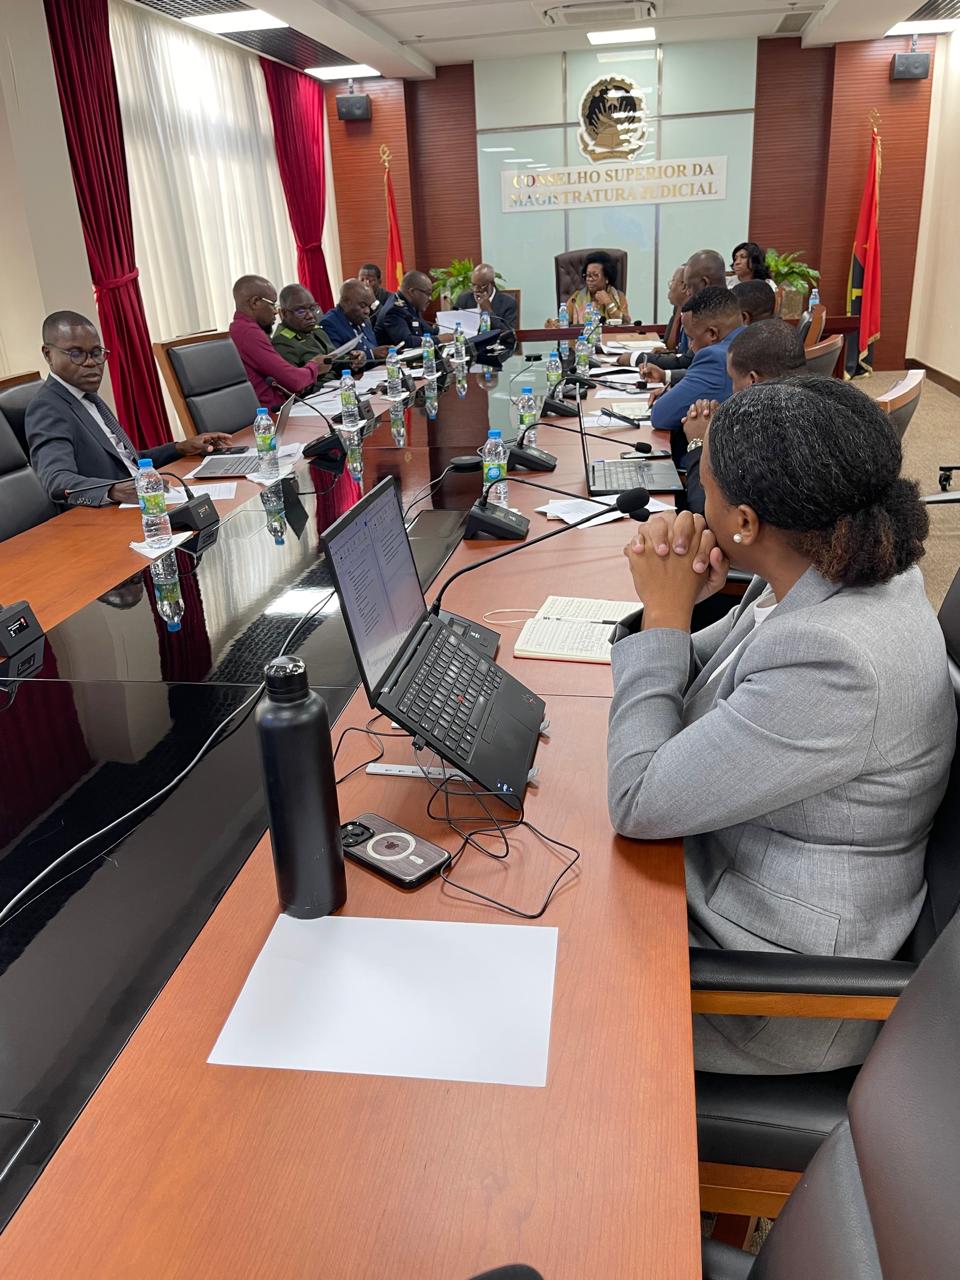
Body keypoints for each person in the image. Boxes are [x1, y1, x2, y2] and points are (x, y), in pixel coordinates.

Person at [608, 376, 954, 1075]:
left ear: (743, 521)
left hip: (775, 990)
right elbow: (701, 677)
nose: (693, 503)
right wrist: (675, 604)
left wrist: (667, 614)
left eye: (701, 485)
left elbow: (639, 799)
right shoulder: (825, 568)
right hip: (734, 874)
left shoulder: (837, 658)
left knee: (547, 960)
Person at [26, 311, 232, 507]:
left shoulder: (88, 397)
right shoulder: (47, 407)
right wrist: (112, 490)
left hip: (147, 500)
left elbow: (125, 461)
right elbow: (57, 481)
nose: (91, 363)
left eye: (96, 353)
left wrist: (180, 448)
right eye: (76, 354)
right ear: (48, 354)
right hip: (108, 516)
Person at [681, 318, 806, 514]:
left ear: (752, 380)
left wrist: (700, 443)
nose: (732, 389)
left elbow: (711, 514)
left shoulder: (771, 434)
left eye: (732, 379)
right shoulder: (816, 408)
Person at [648, 288, 745, 441]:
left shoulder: (715, 357)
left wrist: (672, 394)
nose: (691, 346)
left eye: (691, 338)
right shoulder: (755, 340)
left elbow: (660, 416)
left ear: (712, 333)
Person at [229, 275, 331, 411]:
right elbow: (294, 380)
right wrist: (316, 367)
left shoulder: (242, 328)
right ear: (255, 302)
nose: (275, 311)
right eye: (272, 304)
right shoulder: (248, 332)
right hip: (270, 414)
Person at [619, 249, 727, 369]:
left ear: (705, 283)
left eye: (688, 286)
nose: (687, 292)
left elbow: (689, 361)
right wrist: (670, 355)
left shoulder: (713, 315)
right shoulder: (705, 308)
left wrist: (636, 358)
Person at [271, 284, 342, 379]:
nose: (310, 316)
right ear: (284, 313)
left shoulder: (317, 331)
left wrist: (352, 361)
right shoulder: (281, 342)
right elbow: (295, 381)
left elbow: (335, 360)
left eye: (312, 308)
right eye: (301, 311)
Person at [319, 279, 390, 361]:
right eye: (362, 306)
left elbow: (372, 347)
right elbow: (336, 361)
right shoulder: (329, 324)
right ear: (345, 302)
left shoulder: (363, 320)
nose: (367, 311)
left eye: (368, 306)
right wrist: (372, 354)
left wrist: (384, 352)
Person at [373, 270, 439, 349]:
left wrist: (444, 332)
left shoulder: (412, 305)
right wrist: (438, 339)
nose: (430, 298)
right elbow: (406, 342)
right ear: (412, 292)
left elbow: (428, 331)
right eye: (428, 293)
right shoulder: (394, 310)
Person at [563, 250, 630, 325]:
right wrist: (555, 323)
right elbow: (563, 321)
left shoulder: (618, 296)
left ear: (607, 278)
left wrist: (609, 304)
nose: (590, 279)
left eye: (595, 275)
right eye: (588, 275)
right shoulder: (576, 298)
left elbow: (626, 322)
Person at [454, 263, 517, 334]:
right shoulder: (464, 299)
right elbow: (453, 324)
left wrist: (488, 310)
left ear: (492, 284)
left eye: (480, 286)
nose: (475, 290)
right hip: (470, 340)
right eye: (473, 285)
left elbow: (509, 335)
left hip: (495, 341)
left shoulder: (508, 303)